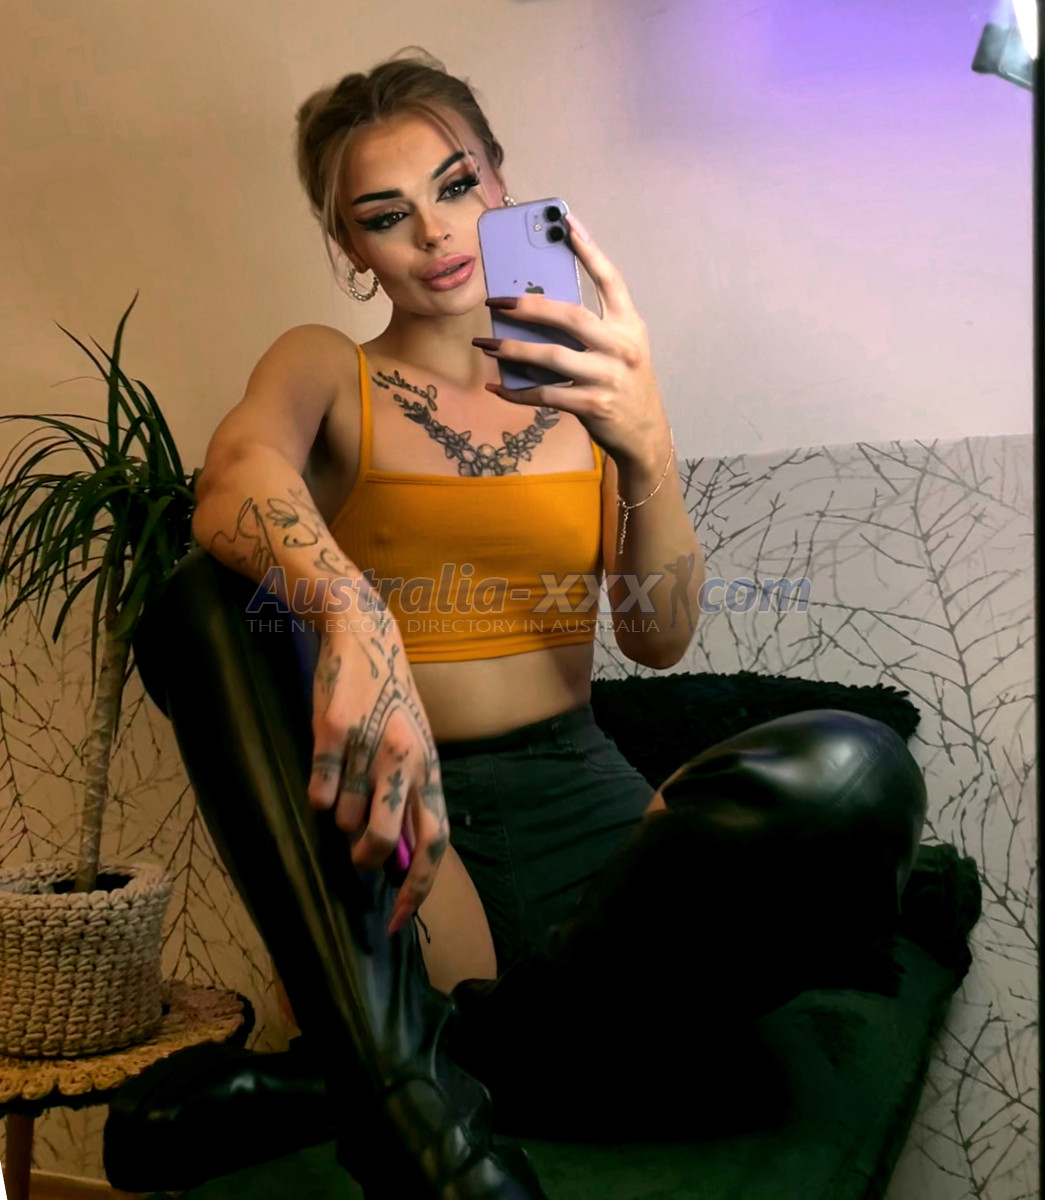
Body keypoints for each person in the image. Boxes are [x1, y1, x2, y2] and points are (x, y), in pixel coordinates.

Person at [180, 46, 926, 1198]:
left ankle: (382, 1076)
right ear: (348, 247)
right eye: (385, 214)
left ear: (501, 180)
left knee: (856, 772)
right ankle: (425, 1066)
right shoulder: (327, 368)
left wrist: (646, 439)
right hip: (422, 807)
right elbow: (232, 480)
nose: (433, 231)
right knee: (648, 1050)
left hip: (589, 795)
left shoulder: (585, 387)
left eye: (455, 186)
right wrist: (354, 612)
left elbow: (658, 633)